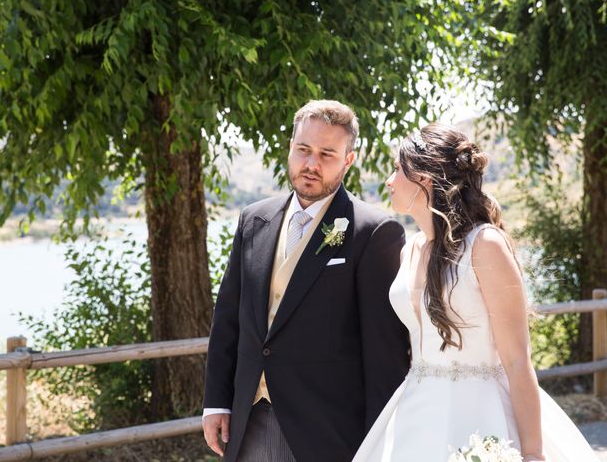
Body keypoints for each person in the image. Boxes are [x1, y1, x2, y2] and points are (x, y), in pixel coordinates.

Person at [353, 123, 598, 461]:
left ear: (424, 177)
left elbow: (516, 360)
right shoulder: (409, 250)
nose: (389, 181)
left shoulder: (484, 245)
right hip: (415, 412)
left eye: (397, 169)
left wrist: (533, 453)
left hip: (483, 413)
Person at [202, 100, 410, 462]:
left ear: (348, 160)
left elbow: (384, 355)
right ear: (291, 148)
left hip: (328, 431)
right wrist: (216, 402)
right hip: (249, 420)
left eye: (327, 154)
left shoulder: (374, 232)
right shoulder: (254, 219)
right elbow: (229, 320)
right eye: (303, 150)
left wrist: (379, 444)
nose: (311, 164)